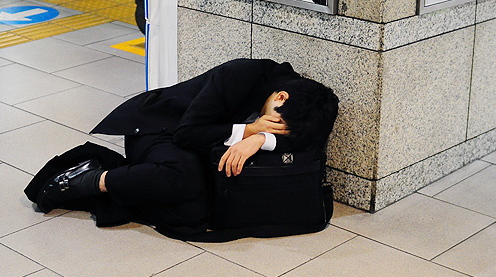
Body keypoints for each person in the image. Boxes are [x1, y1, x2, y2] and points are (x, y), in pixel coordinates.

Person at [26, 58, 339, 237]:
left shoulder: (312, 103)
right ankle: (92, 179)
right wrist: (249, 128)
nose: (271, 128)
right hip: (159, 128)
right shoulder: (239, 75)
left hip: (200, 145)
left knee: (192, 215)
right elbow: (187, 134)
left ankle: (129, 179)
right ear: (280, 97)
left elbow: (303, 138)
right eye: (272, 123)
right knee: (183, 176)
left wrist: (260, 138)